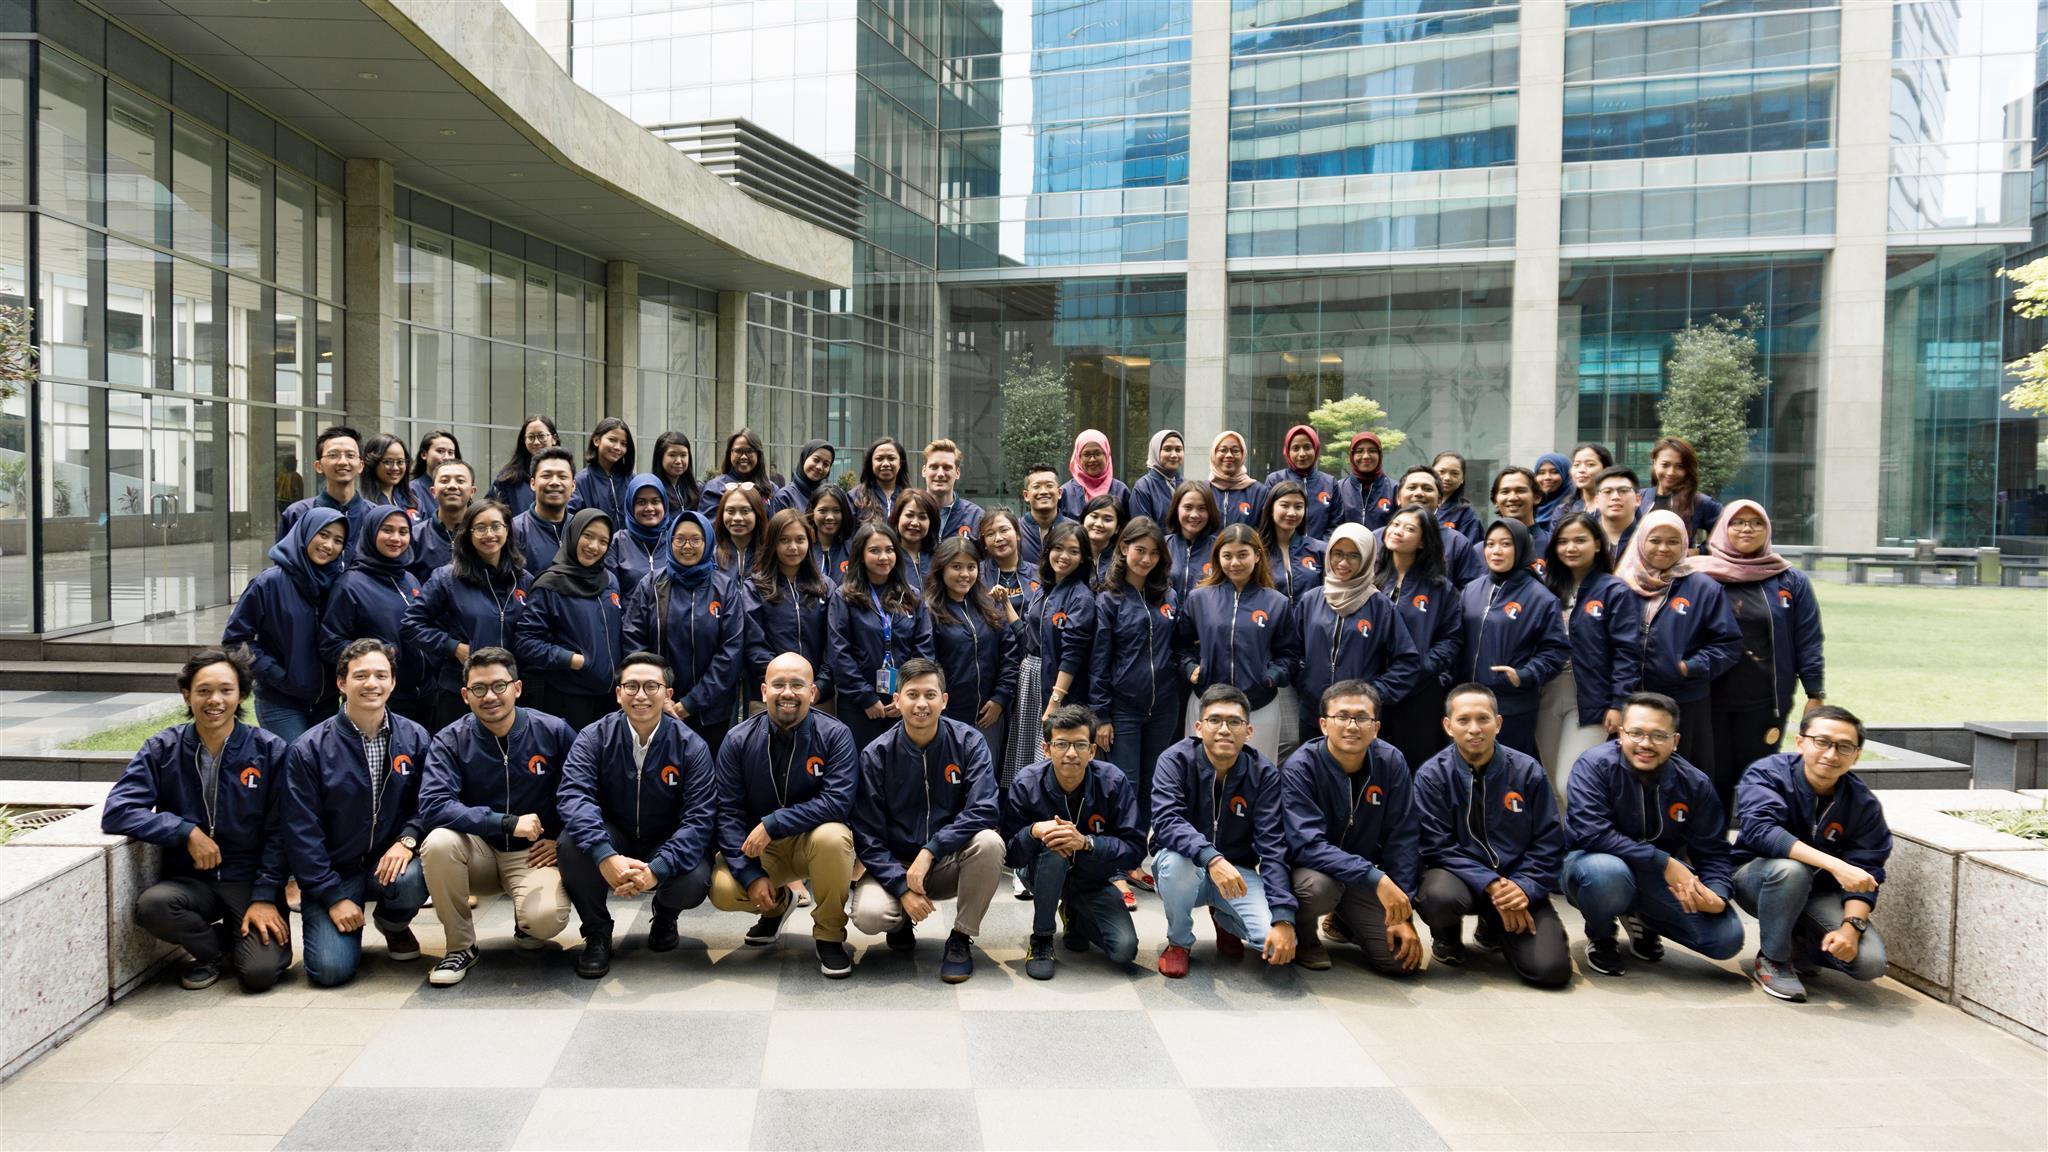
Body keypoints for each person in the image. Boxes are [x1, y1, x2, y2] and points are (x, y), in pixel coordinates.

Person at [102, 648, 293, 992]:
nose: (214, 700)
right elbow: (118, 810)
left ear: (241, 695)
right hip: (190, 880)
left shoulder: (269, 750)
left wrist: (266, 896)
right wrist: (184, 830)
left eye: (225, 690)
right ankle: (213, 952)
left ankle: (237, 939)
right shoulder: (163, 748)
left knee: (259, 974)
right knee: (154, 906)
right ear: (186, 695)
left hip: (248, 881)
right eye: (203, 691)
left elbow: (282, 830)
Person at [417, 647, 577, 986]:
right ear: (465, 695)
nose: (490, 696)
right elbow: (433, 804)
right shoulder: (450, 740)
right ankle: (460, 947)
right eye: (479, 688)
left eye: (499, 686)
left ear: (517, 688)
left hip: (533, 854)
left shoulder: (554, 731)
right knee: (438, 842)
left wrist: (562, 839)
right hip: (478, 852)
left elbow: (584, 792)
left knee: (546, 921)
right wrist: (503, 822)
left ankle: (526, 921)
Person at [555, 651, 718, 979]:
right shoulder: (594, 737)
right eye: (631, 686)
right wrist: (605, 855)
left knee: (694, 880)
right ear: (618, 693)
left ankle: (665, 914)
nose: (640, 695)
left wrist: (657, 870)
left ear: (667, 694)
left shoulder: (691, 745)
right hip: (614, 835)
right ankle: (597, 933)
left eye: (650, 686)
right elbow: (574, 797)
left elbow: (700, 819)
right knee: (572, 844)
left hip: (664, 840)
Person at [1561, 692, 1744, 978]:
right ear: (1621, 733)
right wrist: (1665, 863)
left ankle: (1642, 916)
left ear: (1675, 741)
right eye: (1636, 733)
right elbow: (1592, 834)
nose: (1646, 744)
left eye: (1659, 736)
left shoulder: (1694, 783)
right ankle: (1601, 934)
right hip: (1593, 864)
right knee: (1607, 874)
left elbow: (1713, 850)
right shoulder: (1593, 765)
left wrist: (1717, 892)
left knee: (1725, 938)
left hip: (1654, 876)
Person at [283, 639, 432, 987]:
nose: (371, 684)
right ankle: (342, 919)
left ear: (393, 682)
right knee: (329, 971)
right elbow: (301, 833)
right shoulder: (308, 749)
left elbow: (429, 802)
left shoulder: (415, 737)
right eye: (361, 675)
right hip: (334, 871)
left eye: (381, 675)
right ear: (341, 683)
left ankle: (393, 923)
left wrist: (407, 839)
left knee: (415, 876)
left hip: (388, 861)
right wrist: (332, 897)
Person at [848, 659, 1003, 983]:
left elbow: (985, 809)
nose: (921, 703)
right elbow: (867, 835)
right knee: (869, 916)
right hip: (895, 863)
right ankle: (901, 919)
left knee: (989, 843)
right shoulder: (877, 754)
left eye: (930, 695)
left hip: (947, 861)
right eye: (912, 694)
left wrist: (932, 850)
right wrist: (902, 887)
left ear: (944, 700)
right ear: (897, 700)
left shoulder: (969, 742)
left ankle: (960, 937)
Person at [712, 652, 860, 977]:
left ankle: (829, 935)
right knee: (722, 888)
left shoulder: (836, 735)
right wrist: (751, 876)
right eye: (779, 685)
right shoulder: (737, 739)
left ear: (813, 692)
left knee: (834, 836)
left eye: (797, 685)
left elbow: (837, 802)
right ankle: (777, 905)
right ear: (764, 691)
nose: (788, 693)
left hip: (814, 843)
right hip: (764, 850)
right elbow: (728, 814)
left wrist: (774, 823)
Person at [1413, 684, 1571, 987]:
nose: (1474, 729)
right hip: (1461, 880)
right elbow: (1435, 846)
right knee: (1438, 895)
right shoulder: (1432, 775)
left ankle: (1493, 925)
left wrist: (1524, 888)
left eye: (1483, 719)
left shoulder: (1527, 771)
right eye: (1463, 720)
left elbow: (1548, 843)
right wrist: (1491, 883)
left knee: (1549, 971)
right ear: (1448, 726)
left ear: (1498, 723)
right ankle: (1447, 936)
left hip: (1518, 882)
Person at [1732, 705, 1892, 1003]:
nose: (1831, 754)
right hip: (1758, 879)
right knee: (1791, 870)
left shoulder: (1863, 804)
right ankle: (1774, 959)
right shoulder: (1767, 773)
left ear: (1856, 755)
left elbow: (1867, 871)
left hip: (1818, 894)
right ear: (1800, 742)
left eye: (1844, 747)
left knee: (1870, 963)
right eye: (1822, 742)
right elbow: (1761, 831)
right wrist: (1835, 865)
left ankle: (1803, 944)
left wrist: (1851, 929)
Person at [1150, 684, 1298, 977]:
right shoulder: (1175, 760)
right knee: (1178, 864)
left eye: (1234, 722)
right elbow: (1167, 820)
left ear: (1248, 731)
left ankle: (1224, 917)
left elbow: (1273, 846)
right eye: (1215, 720)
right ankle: (1179, 942)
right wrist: (1212, 858)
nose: (1224, 730)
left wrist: (1283, 917)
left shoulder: (1263, 773)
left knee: (1273, 945)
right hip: (1185, 866)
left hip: (1236, 872)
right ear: (1199, 727)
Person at [1281, 681, 1422, 976]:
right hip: (1312, 872)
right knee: (1319, 889)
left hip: (1360, 877)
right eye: (1342, 716)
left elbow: (1403, 837)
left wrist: (1402, 912)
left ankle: (1345, 920)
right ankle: (1304, 937)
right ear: (1323, 724)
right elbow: (1307, 845)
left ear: (1376, 727)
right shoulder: (1301, 767)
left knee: (1399, 961)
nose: (1352, 726)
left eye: (1361, 718)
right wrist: (1377, 879)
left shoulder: (1391, 761)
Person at [1696, 500, 1827, 815]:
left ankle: (1756, 839)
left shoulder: (1789, 580)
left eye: (1756, 523)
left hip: (1764, 702)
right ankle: (1712, 844)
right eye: (1737, 522)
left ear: (1767, 529)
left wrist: (1815, 693)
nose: (1747, 529)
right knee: (1711, 779)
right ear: (1723, 528)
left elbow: (1808, 639)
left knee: (1758, 780)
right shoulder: (1699, 575)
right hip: (1707, 698)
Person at [1005, 704, 1144, 978]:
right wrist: (1034, 831)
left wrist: (1087, 843)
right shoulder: (1026, 782)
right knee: (1055, 846)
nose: (1071, 753)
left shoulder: (1113, 782)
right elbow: (1010, 855)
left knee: (1124, 950)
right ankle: (1042, 938)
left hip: (1092, 880)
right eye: (1061, 744)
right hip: (1038, 873)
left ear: (1092, 751)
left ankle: (1073, 914)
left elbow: (1135, 850)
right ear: (1046, 749)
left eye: (1080, 745)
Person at [1086, 517, 1178, 904]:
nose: (1146, 558)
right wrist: (1102, 716)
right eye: (1140, 550)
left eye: (1154, 552)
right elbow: (1099, 661)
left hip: (1165, 707)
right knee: (1123, 785)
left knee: (1149, 787)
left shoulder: (1168, 595)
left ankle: (1133, 860)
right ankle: (1114, 867)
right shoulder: (1109, 598)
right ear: (1123, 548)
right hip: (1122, 708)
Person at [1614, 509, 1739, 773]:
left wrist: (1689, 667)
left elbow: (1728, 643)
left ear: (1684, 544)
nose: (1663, 548)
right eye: (1655, 540)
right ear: (1641, 541)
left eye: (1672, 541)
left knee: (1684, 772)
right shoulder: (1620, 584)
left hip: (1685, 699)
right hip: (1628, 697)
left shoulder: (1703, 587)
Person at [1534, 511, 1641, 809]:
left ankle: (1587, 836)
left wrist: (1619, 703)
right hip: (1546, 693)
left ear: (1597, 544)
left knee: (1570, 783)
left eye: (1580, 540)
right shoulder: (1545, 588)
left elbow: (1627, 652)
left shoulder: (1614, 590)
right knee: (1550, 784)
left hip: (1591, 697)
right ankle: (1563, 839)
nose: (1571, 548)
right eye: (1563, 541)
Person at [1176, 523, 1301, 763]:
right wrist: (1190, 668)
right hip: (1207, 703)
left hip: (1259, 706)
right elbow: (1181, 645)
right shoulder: (1199, 598)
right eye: (1227, 556)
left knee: (1257, 773)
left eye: (1242, 555)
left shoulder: (1276, 602)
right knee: (1203, 772)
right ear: (1217, 557)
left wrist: (1270, 677)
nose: (1235, 563)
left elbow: (1289, 655)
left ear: (1257, 555)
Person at [622, 510, 745, 755]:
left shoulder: (724, 588)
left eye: (695, 540)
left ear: (707, 542)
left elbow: (731, 651)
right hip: (655, 706)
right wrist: (659, 695)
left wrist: (690, 703)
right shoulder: (651, 585)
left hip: (711, 712)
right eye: (680, 539)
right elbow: (633, 640)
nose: (687, 546)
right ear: (670, 541)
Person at [403, 500, 530, 733]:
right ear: (468, 533)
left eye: (496, 526)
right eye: (480, 528)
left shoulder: (522, 579)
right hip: (459, 690)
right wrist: (454, 647)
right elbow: (412, 624)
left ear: (507, 530)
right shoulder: (447, 578)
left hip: (508, 689)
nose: (489, 534)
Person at [224, 506, 346, 744]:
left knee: (323, 764)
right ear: (305, 532)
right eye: (323, 534)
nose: (329, 545)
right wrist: (275, 674)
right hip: (280, 701)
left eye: (338, 540)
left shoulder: (340, 584)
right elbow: (235, 640)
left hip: (327, 703)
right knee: (295, 760)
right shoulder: (269, 583)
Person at [1295, 524, 1420, 741]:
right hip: (1313, 713)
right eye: (1337, 553)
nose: (1343, 563)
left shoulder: (1380, 606)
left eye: (1354, 555)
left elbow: (1407, 661)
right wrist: (1305, 682)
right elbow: (1292, 649)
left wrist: (1374, 693)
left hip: (1359, 719)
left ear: (1367, 558)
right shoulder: (1312, 599)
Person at [1458, 520, 1569, 758]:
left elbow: (1555, 650)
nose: (1496, 551)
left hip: (1512, 705)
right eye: (1490, 544)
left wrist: (1524, 675)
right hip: (1468, 701)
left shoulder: (1541, 597)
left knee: (1509, 770)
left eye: (1506, 544)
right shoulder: (1471, 589)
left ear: (1521, 548)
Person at [318, 505, 430, 730]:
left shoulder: (410, 579)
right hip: (378, 696)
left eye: (403, 532)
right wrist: (379, 657)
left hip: (423, 696)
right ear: (371, 532)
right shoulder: (350, 584)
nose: (396, 538)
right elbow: (331, 643)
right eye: (387, 530)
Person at [827, 521, 937, 751]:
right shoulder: (844, 597)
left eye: (889, 550)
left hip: (904, 703)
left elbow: (923, 648)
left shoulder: (912, 596)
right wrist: (866, 697)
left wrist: (905, 695)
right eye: (874, 551)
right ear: (860, 554)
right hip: (858, 704)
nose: (884, 557)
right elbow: (839, 652)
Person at [511, 508, 624, 728]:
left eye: (603, 541)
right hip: (568, 698)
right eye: (588, 536)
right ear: (573, 535)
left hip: (609, 698)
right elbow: (526, 642)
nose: (594, 546)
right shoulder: (550, 584)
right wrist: (572, 660)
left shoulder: (609, 581)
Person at [1374, 505, 1463, 770]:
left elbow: (1451, 639)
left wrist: (1421, 667)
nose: (1398, 531)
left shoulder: (1439, 587)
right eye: (1395, 524)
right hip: (1374, 688)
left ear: (1423, 542)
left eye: (1409, 529)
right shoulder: (1372, 579)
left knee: (1418, 764)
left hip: (1420, 691)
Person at [927, 536, 1021, 774]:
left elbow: (1010, 654)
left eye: (971, 567)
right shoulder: (930, 612)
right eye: (956, 567)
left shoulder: (990, 606)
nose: (965, 574)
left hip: (989, 715)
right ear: (941, 569)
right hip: (948, 716)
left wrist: (1000, 698)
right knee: (950, 779)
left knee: (985, 778)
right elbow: (928, 663)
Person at [744, 508, 836, 710]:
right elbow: (754, 644)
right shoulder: (754, 588)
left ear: (809, 542)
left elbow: (835, 642)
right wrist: (782, 685)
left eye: (800, 540)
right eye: (784, 540)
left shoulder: (826, 587)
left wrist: (820, 685)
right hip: (772, 696)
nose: (793, 547)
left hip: (818, 696)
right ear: (772, 543)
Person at [1035, 521, 1098, 728]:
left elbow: (1073, 654)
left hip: (1060, 689)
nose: (1064, 556)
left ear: (1083, 558)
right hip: (1034, 680)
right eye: (1058, 548)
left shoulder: (1082, 597)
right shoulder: (1044, 588)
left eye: (1073, 551)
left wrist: (1055, 700)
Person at [277, 425, 377, 544]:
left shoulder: (375, 515)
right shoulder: (297, 513)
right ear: (318, 466)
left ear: (361, 466)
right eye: (333, 455)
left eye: (350, 455)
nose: (343, 462)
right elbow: (284, 555)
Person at [1385, 466, 1482, 588]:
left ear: (1439, 500)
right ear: (1398, 498)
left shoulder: (1457, 543)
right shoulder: (1380, 538)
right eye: (1412, 488)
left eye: (1427, 489)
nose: (1419, 493)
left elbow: (1472, 590)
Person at [1642, 434, 1723, 549]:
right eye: (1665, 465)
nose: (1671, 472)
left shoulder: (1699, 502)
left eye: (1679, 466)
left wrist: (1700, 551)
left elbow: (1726, 532)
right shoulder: (1639, 498)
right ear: (1654, 463)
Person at [512, 447, 578, 582]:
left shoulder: (581, 529)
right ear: (533, 483)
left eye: (562, 476)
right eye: (546, 476)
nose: (554, 482)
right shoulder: (514, 530)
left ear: (573, 486)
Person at [1265, 424, 1341, 539]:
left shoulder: (1330, 483)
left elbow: (1336, 522)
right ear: (1287, 451)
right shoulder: (1275, 480)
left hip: (1322, 549)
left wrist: (1320, 546)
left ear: (1315, 449)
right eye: (1295, 448)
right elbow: (1267, 519)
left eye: (1307, 447)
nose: (1302, 454)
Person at [1256, 479, 1326, 601]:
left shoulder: (1320, 550)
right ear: (1271, 508)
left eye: (1298, 507)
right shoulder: (1256, 549)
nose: (1292, 513)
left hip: (1310, 613)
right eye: (1285, 505)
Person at [408, 457, 475, 582]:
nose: (452, 486)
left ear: (472, 491)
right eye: (444, 481)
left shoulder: (482, 535)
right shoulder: (414, 536)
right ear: (433, 491)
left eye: (460, 481)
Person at [610, 473, 673, 598]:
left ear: (664, 504)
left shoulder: (675, 541)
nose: (649, 508)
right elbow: (610, 592)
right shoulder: (618, 542)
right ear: (631, 506)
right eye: (641, 502)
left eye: (655, 501)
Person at [569, 417, 635, 525]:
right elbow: (572, 519)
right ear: (596, 440)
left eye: (623, 444)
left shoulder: (631, 479)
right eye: (612, 440)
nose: (618, 447)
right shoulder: (581, 481)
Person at [490, 414, 558, 517]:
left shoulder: (566, 475)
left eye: (541, 436)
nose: (536, 442)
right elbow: (491, 509)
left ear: (554, 439)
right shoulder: (508, 477)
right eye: (531, 437)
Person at [698, 427, 778, 514]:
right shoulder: (714, 488)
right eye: (738, 451)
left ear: (758, 454)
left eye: (749, 451)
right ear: (730, 454)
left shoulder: (772, 489)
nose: (744, 457)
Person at [1163, 480, 1219, 603]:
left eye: (1202, 508)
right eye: (1188, 507)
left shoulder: (1219, 549)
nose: (1194, 515)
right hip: (1167, 614)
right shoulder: (1162, 546)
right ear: (1176, 509)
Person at [921, 437, 984, 539]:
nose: (940, 474)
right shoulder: (910, 512)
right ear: (924, 471)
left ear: (957, 473)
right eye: (934, 467)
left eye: (947, 468)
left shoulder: (975, 517)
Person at [1061, 428, 1130, 521]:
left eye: (1097, 453)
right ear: (1078, 457)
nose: (1092, 459)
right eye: (1086, 454)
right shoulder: (1065, 492)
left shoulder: (1121, 491)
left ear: (1107, 454)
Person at [1489, 467, 1550, 565]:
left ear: (1537, 497)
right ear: (1495, 500)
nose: (1512, 498)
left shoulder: (1552, 546)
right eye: (1505, 492)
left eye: (1520, 491)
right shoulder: (1482, 550)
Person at [1337, 431, 1396, 532]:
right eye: (1359, 451)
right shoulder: (1338, 488)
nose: (1366, 456)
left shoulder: (1394, 489)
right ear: (1352, 455)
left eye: (1372, 451)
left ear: (1380, 454)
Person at [1017, 461, 1072, 568]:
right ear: (1026, 495)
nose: (1043, 491)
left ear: (1059, 493)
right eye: (1036, 486)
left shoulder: (1074, 530)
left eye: (1049, 486)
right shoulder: (1015, 530)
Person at [1207, 431, 1265, 529]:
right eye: (1223, 450)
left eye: (1235, 451)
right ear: (1214, 454)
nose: (1229, 455)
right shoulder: (1204, 490)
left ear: (1243, 455)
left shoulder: (1259, 492)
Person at [712, 481, 767, 582]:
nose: (737, 518)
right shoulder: (712, 558)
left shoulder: (770, 557)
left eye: (745, 511)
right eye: (730, 511)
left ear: (757, 514)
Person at [766, 437, 834, 518]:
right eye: (816, 460)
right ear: (804, 458)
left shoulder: (829, 496)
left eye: (826, 464)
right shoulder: (784, 497)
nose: (819, 467)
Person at [1129, 428, 1184, 525]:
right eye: (1167, 449)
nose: (1174, 455)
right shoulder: (1143, 487)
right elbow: (1141, 529)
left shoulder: (1185, 485)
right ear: (1155, 451)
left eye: (1178, 449)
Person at [847, 435, 908, 524]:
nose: (886, 464)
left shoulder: (909, 497)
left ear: (900, 463)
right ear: (871, 463)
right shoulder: (855, 496)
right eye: (879, 459)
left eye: (891, 458)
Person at [889, 487, 939, 589]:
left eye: (922, 517)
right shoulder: (888, 557)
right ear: (897, 517)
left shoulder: (939, 558)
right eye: (909, 515)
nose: (915, 523)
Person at [361, 432, 421, 517]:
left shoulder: (413, 501)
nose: (395, 468)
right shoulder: (363, 506)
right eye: (388, 462)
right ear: (373, 463)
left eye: (400, 462)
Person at [806, 482, 856, 584]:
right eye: (822, 510)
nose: (830, 517)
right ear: (812, 512)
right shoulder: (803, 549)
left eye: (836, 510)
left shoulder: (854, 550)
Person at [1591, 465, 1642, 563]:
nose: (1615, 497)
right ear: (1596, 501)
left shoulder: (1648, 537)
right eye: (1607, 491)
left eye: (1623, 490)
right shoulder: (1584, 535)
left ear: (1637, 499)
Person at [1431, 451, 1483, 545]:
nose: (1447, 478)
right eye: (1441, 472)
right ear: (1431, 473)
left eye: (1454, 473)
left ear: (1462, 478)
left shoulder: (1467, 514)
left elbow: (1470, 548)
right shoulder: (1418, 503)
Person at [650, 430, 702, 517]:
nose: (678, 461)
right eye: (672, 455)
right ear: (660, 457)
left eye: (683, 455)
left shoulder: (696, 489)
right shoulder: (653, 490)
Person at [407, 430, 461, 512]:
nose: (447, 457)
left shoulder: (459, 488)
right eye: (440, 451)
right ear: (424, 454)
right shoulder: (413, 489)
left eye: (450, 452)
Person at [1077, 493, 1123, 586]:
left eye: (1107, 519)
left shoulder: (1122, 561)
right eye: (1094, 516)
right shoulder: (1071, 554)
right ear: (1083, 519)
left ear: (1117, 528)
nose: (1098, 524)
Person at [1562, 442, 1614, 522]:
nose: (1581, 470)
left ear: (1606, 469)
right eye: (1576, 465)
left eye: (1590, 464)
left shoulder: (1616, 505)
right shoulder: (1564, 510)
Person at [1531, 452, 1571, 532]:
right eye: (1541, 473)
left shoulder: (1574, 506)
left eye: (1554, 472)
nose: (1547, 477)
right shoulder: (1532, 504)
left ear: (1567, 474)